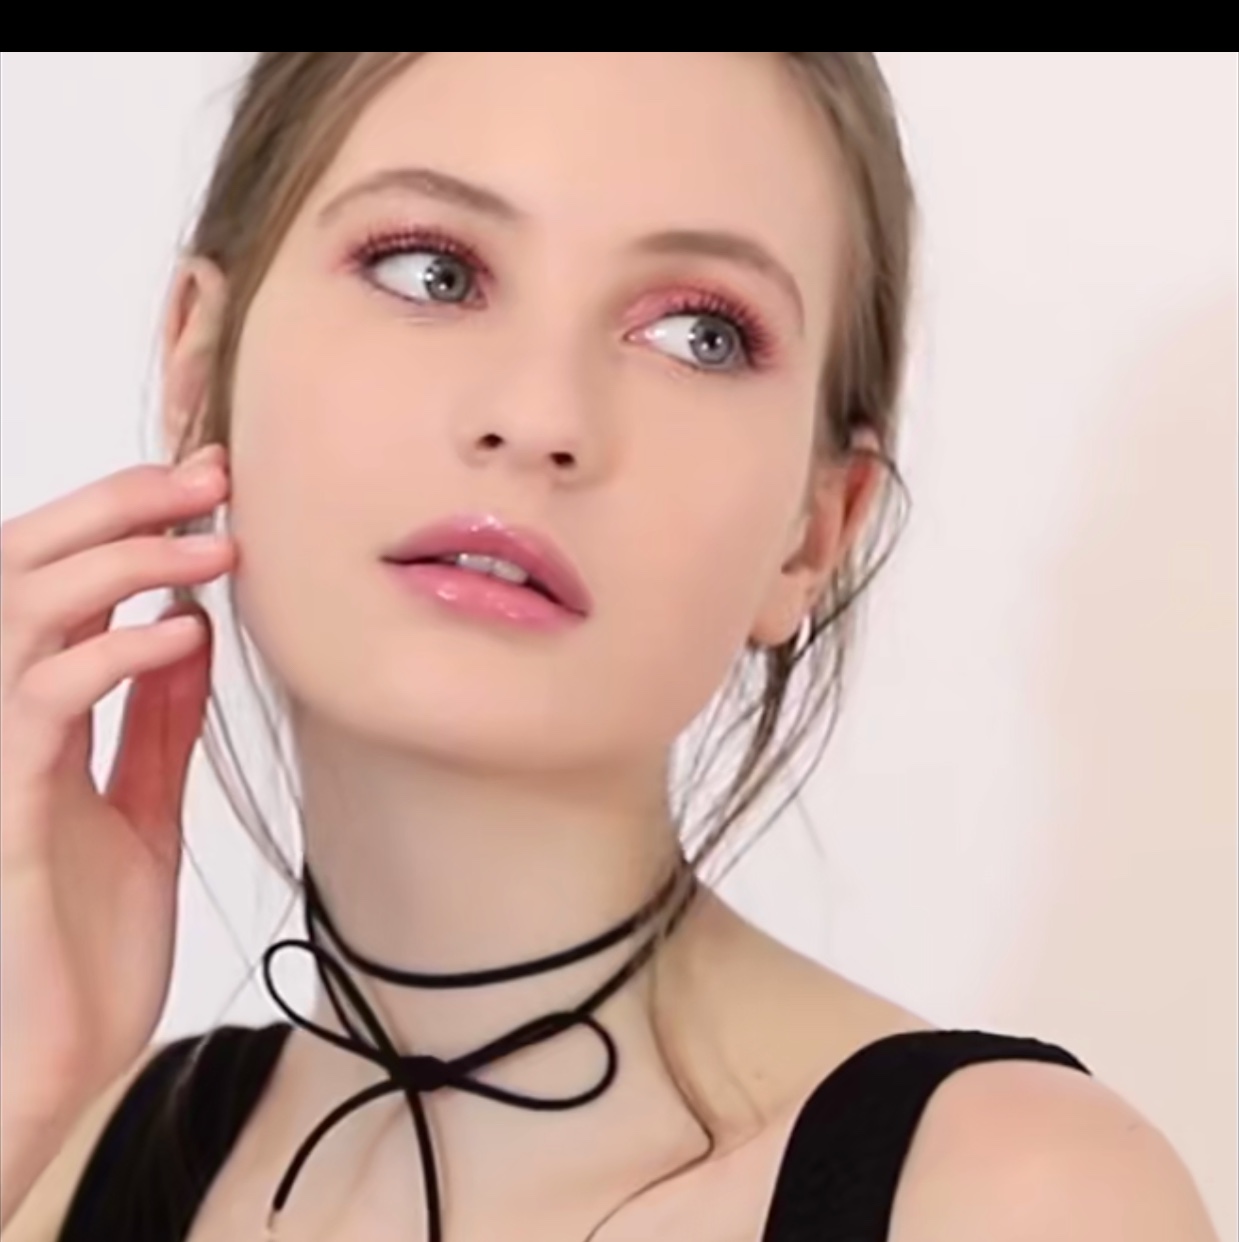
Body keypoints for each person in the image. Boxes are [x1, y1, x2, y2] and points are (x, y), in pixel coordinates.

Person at [0, 53, 1219, 1242]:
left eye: (699, 334)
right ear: (197, 361)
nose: (540, 416)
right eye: (431, 270)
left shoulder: (1013, 1202)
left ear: (815, 530)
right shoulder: (54, 1158)